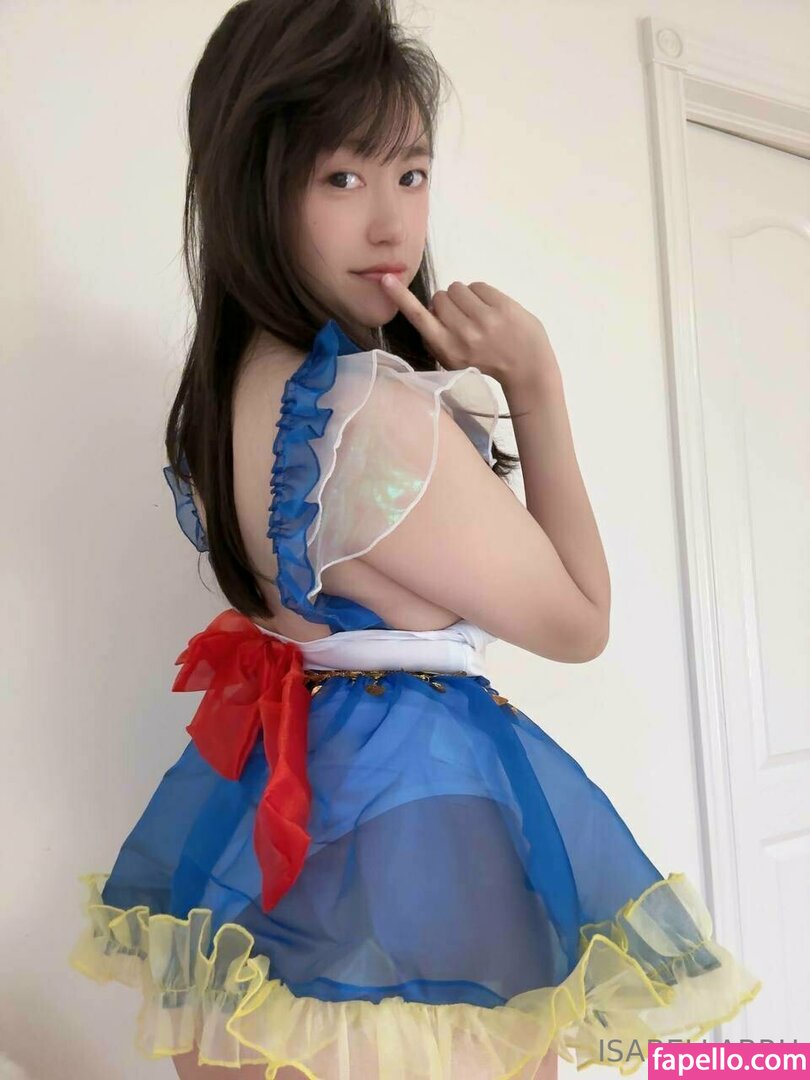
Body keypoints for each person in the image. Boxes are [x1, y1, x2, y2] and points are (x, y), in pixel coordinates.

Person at [67, 1, 762, 1077]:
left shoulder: (226, 399)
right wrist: (536, 384)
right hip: (411, 856)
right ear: (254, 185)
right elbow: (579, 622)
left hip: (288, 831)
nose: (393, 226)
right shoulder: (369, 416)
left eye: (412, 173)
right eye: (343, 178)